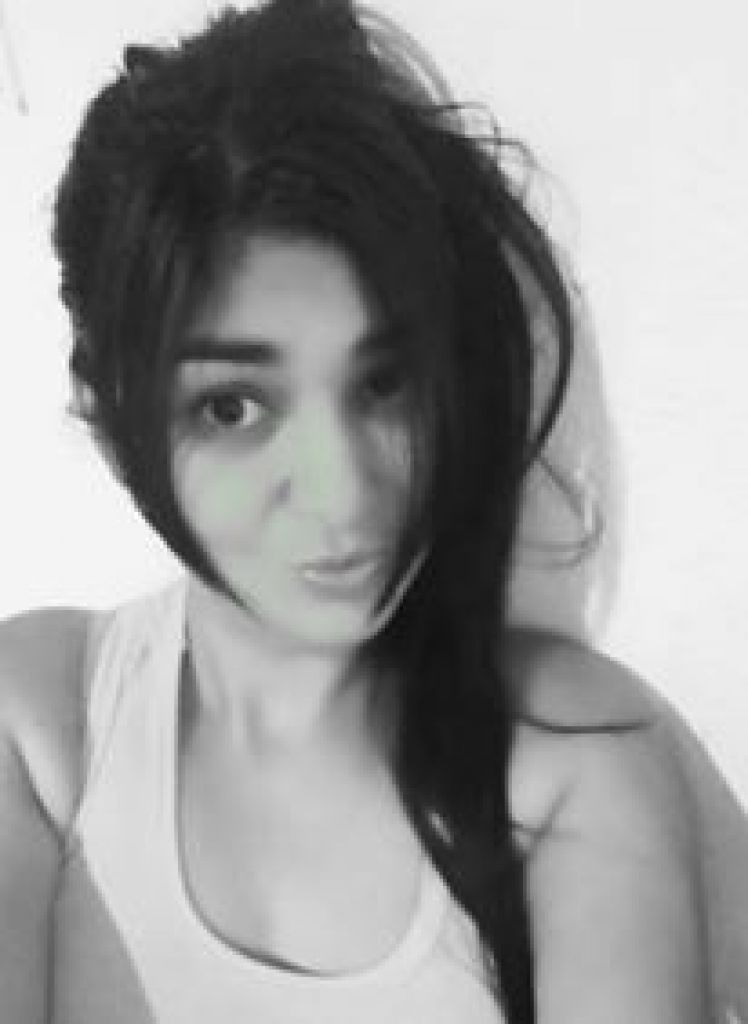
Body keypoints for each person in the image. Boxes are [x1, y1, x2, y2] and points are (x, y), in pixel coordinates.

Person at [0, 0, 745, 1021]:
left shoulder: (567, 760)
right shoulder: (40, 730)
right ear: (104, 411)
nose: (344, 491)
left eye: (385, 383)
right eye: (233, 406)